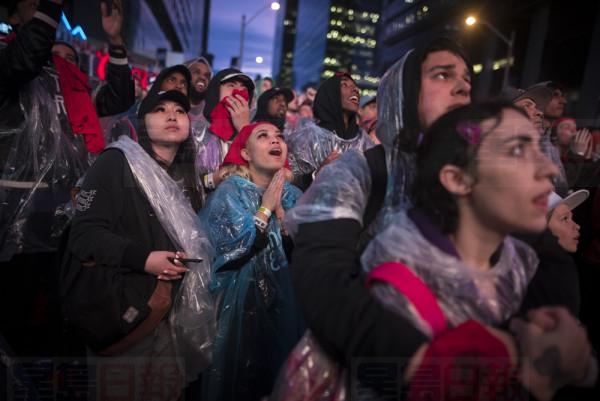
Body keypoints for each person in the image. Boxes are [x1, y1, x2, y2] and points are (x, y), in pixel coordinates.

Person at [275, 102, 597, 401]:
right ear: (457, 179)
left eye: (539, 148)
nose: (550, 170)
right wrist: (512, 363)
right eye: (516, 150)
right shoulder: (399, 293)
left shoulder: (527, 268)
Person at [0, 0, 134, 357]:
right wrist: (51, 8)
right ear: (12, 17)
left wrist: (116, 40)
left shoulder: (67, 78)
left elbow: (119, 96)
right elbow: (24, 58)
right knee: (17, 319)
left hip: (65, 208)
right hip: (15, 217)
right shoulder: (9, 61)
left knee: (60, 316)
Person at [62, 89, 213, 398]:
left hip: (168, 316)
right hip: (125, 310)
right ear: (142, 123)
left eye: (180, 110)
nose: (172, 114)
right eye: (160, 109)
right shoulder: (117, 161)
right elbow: (84, 235)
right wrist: (145, 258)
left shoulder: (185, 178)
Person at [199, 121, 304, 401]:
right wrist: (265, 207)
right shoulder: (229, 193)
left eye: (280, 136)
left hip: (287, 310)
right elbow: (229, 255)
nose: (276, 141)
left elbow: (306, 256)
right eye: (264, 136)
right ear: (245, 153)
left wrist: (282, 216)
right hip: (239, 314)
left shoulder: (296, 198)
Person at [286, 72, 374, 190]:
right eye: (344, 85)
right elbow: (289, 186)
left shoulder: (366, 142)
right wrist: (318, 174)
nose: (355, 90)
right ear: (331, 95)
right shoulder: (305, 139)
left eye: (354, 86)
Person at [194, 68, 255, 191]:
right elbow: (189, 184)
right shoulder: (195, 132)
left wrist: (244, 130)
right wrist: (217, 178)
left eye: (244, 89)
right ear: (216, 92)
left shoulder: (259, 134)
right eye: (231, 85)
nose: (238, 92)